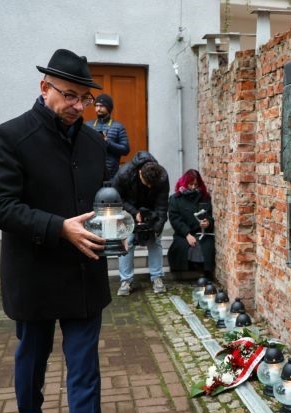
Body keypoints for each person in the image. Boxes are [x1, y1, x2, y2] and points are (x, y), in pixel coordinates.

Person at [0, 49, 126, 413]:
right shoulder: (9, 137)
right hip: (35, 273)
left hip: (84, 273)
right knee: (34, 354)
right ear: (45, 88)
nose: (78, 106)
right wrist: (58, 227)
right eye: (69, 96)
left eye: (85, 98)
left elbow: (98, 200)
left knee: (84, 367)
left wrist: (117, 226)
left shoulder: (94, 143)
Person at [112, 152, 169, 296]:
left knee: (155, 241)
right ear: (139, 173)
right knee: (127, 242)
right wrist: (134, 212)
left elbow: (162, 205)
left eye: (152, 185)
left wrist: (158, 226)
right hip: (127, 210)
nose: (149, 186)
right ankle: (126, 281)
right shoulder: (123, 174)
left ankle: (157, 277)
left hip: (152, 212)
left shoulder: (162, 176)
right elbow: (116, 198)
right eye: (146, 183)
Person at [168, 169, 215, 277]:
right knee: (182, 248)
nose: (193, 187)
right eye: (190, 184)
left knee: (205, 248)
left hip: (201, 233)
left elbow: (209, 215)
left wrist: (207, 223)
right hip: (183, 233)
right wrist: (187, 234)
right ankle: (185, 273)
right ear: (185, 183)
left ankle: (203, 273)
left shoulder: (204, 197)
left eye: (196, 184)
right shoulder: (175, 199)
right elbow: (175, 219)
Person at [90, 93, 129, 180]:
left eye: (101, 106)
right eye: (96, 106)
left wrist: (108, 143)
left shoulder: (118, 127)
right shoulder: (88, 125)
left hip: (111, 175)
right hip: (92, 173)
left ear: (109, 108)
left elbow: (125, 149)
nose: (98, 109)